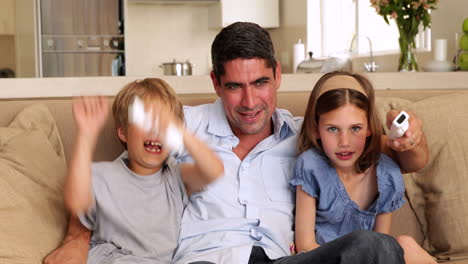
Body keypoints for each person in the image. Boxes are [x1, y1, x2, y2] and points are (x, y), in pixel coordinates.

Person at [44, 22, 429, 264]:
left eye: (260, 83)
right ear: (215, 83)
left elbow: (400, 159)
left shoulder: (310, 135)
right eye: (234, 87)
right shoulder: (181, 126)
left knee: (375, 247)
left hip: (284, 260)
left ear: (277, 75)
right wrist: (78, 238)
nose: (249, 102)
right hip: (206, 259)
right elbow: (123, 185)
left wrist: (408, 139)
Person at [63, 78, 223, 263]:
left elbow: (213, 171)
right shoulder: (105, 176)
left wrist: (180, 131)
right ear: (123, 132)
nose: (155, 130)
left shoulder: (175, 176)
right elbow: (76, 202)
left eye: (162, 124)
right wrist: (86, 135)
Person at [291, 72, 435, 264]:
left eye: (355, 128)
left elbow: (381, 245)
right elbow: (305, 245)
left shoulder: (387, 174)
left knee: (405, 244)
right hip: (325, 260)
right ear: (316, 129)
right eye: (333, 129)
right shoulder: (310, 166)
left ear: (369, 128)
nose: (344, 142)